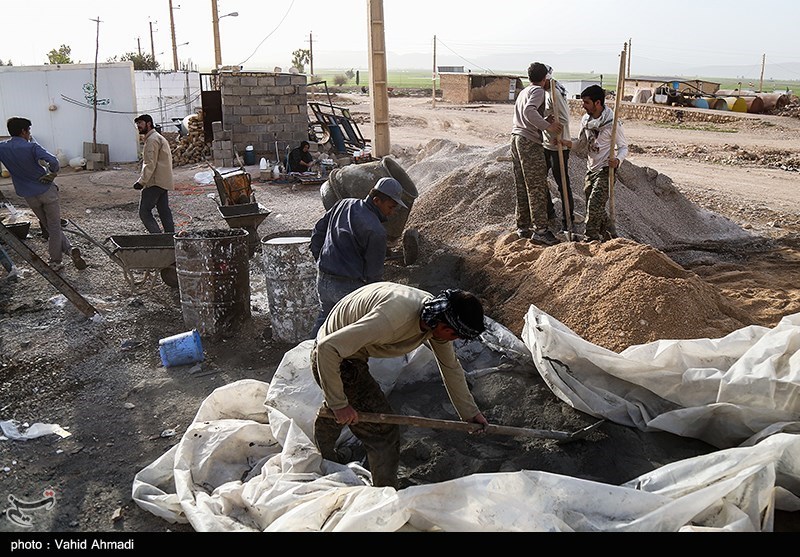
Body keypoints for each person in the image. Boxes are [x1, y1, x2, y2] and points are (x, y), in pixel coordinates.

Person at [311, 281, 490, 489]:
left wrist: (470, 412)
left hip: (348, 349)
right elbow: (328, 348)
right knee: (383, 431)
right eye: (455, 335)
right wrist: (339, 403)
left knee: (343, 407)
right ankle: (385, 491)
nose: (455, 340)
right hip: (335, 357)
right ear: (443, 325)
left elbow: (450, 367)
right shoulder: (393, 319)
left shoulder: (434, 315)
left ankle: (326, 456)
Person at [309, 176, 406, 338]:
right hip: (348, 288)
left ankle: (307, 355)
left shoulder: (344, 203)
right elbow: (373, 277)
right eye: (391, 207)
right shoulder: (376, 231)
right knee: (353, 333)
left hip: (323, 280)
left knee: (325, 321)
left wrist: (320, 259)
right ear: (376, 200)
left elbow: (318, 232)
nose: (392, 212)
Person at [0, 117, 86, 272]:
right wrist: (52, 173)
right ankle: (55, 261)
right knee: (53, 227)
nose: (29, 134)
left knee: (48, 225)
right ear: (23, 131)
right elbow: (53, 161)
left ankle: (69, 249)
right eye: (28, 131)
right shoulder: (31, 147)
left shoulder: (2, 147)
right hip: (46, 190)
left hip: (28, 194)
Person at [511, 62, 564, 247]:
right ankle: (540, 230)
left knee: (522, 184)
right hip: (528, 142)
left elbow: (527, 113)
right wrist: (548, 126)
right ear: (545, 78)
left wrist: (543, 120)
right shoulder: (538, 91)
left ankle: (522, 227)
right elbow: (529, 111)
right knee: (536, 186)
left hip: (516, 138)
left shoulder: (524, 92)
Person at [577, 85, 629, 242]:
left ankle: (590, 238)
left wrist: (618, 160)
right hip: (591, 168)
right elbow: (581, 143)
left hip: (606, 170)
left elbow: (623, 147)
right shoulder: (586, 120)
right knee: (595, 205)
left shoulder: (613, 124)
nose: (583, 106)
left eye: (586, 102)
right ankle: (610, 234)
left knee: (594, 204)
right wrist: (565, 143)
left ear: (597, 103)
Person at [542, 65, 577, 235]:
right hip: (547, 144)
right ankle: (550, 213)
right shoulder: (548, 92)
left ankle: (567, 220)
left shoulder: (554, 93)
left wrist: (549, 127)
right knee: (539, 179)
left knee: (563, 184)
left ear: (546, 78)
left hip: (558, 146)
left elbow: (563, 118)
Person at [133, 114, 175, 234]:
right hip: (163, 181)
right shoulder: (158, 137)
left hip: (154, 182)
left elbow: (150, 163)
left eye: (140, 123)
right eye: (137, 124)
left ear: (148, 123)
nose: (138, 126)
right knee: (163, 211)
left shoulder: (152, 140)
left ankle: (158, 238)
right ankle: (171, 239)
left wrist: (141, 182)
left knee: (144, 212)